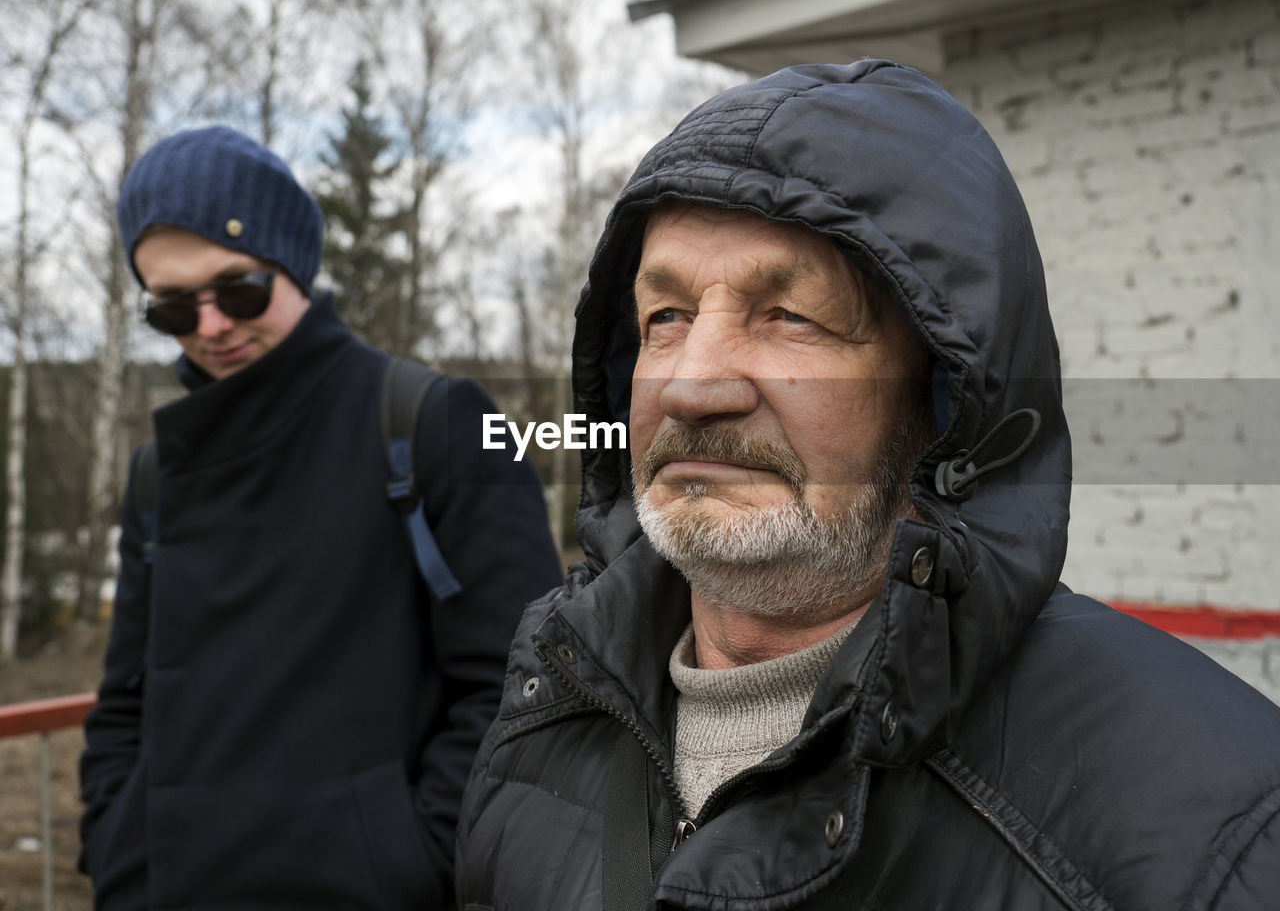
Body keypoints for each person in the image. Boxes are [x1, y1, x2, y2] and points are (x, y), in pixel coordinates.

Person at [454, 60, 1280, 909]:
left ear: (948, 401)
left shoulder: (1211, 840)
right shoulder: (547, 711)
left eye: (789, 317)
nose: (692, 385)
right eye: (666, 317)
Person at [78, 126, 563, 910]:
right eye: (172, 309)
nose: (211, 328)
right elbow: (123, 702)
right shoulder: (155, 478)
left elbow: (521, 686)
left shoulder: (434, 423)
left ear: (293, 264)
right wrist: (120, 849)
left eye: (239, 290)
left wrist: (410, 861)